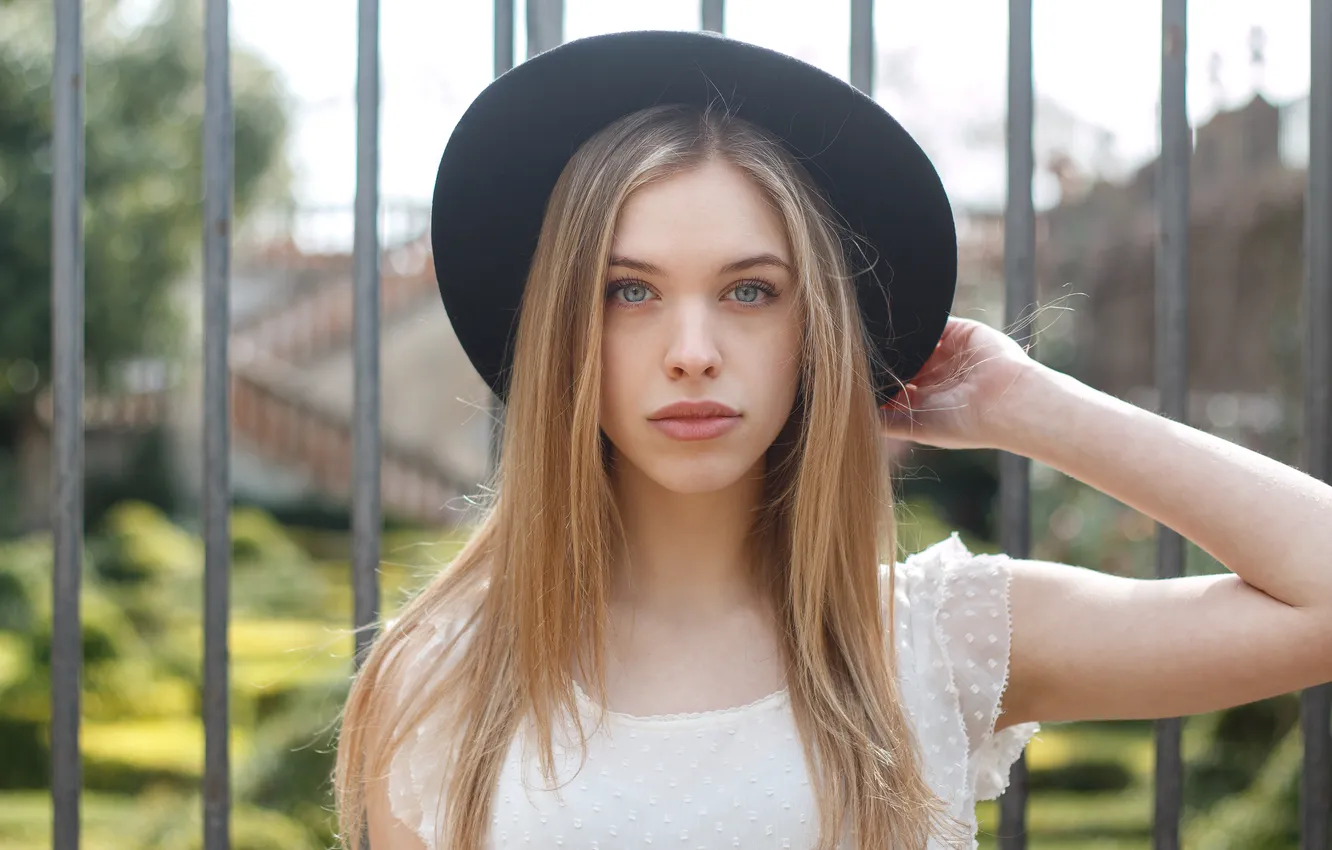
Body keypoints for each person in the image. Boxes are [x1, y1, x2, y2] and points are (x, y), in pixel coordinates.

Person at [333, 30, 1332, 850]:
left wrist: (1026, 404)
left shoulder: (935, 642)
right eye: (628, 291)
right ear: (563, 330)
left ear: (815, 328)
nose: (692, 351)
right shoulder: (442, 678)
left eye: (750, 292)